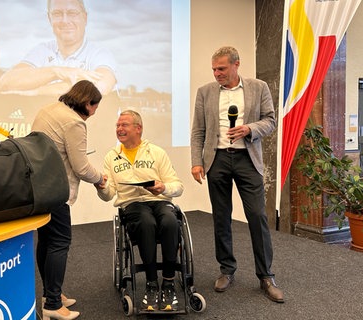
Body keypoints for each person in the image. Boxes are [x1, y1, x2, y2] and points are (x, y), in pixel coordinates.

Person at [190, 46, 284, 303]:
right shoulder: (205, 92)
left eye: (221, 68)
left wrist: (249, 129)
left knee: (257, 216)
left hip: (247, 159)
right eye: (214, 69)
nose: (217, 73)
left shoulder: (258, 87)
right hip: (217, 159)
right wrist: (196, 162)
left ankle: (266, 276)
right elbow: (198, 130)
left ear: (236, 65)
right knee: (221, 217)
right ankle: (227, 270)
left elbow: (271, 120)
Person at [32, 80, 106, 320]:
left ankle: (51, 294)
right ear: (87, 103)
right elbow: (81, 167)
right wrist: (100, 179)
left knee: (46, 240)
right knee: (59, 242)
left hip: (39, 186)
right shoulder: (75, 122)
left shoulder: (49, 110)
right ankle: (52, 304)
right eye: (95, 108)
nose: (94, 114)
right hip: (57, 189)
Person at [96, 110, 183, 312]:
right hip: (132, 204)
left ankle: (168, 283)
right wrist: (101, 187)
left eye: (124, 125)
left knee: (170, 221)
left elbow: (177, 186)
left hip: (159, 200)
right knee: (146, 222)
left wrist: (163, 188)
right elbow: (109, 195)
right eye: (117, 125)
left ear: (138, 128)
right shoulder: (112, 156)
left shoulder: (156, 152)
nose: (119, 129)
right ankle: (152, 283)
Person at [0, 0, 117, 96]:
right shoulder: (42, 50)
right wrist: (56, 71)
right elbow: (6, 82)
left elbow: (98, 87)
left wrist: (36, 92)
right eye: (57, 14)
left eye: (72, 13)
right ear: (49, 19)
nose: (65, 20)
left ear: (84, 18)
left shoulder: (100, 54)